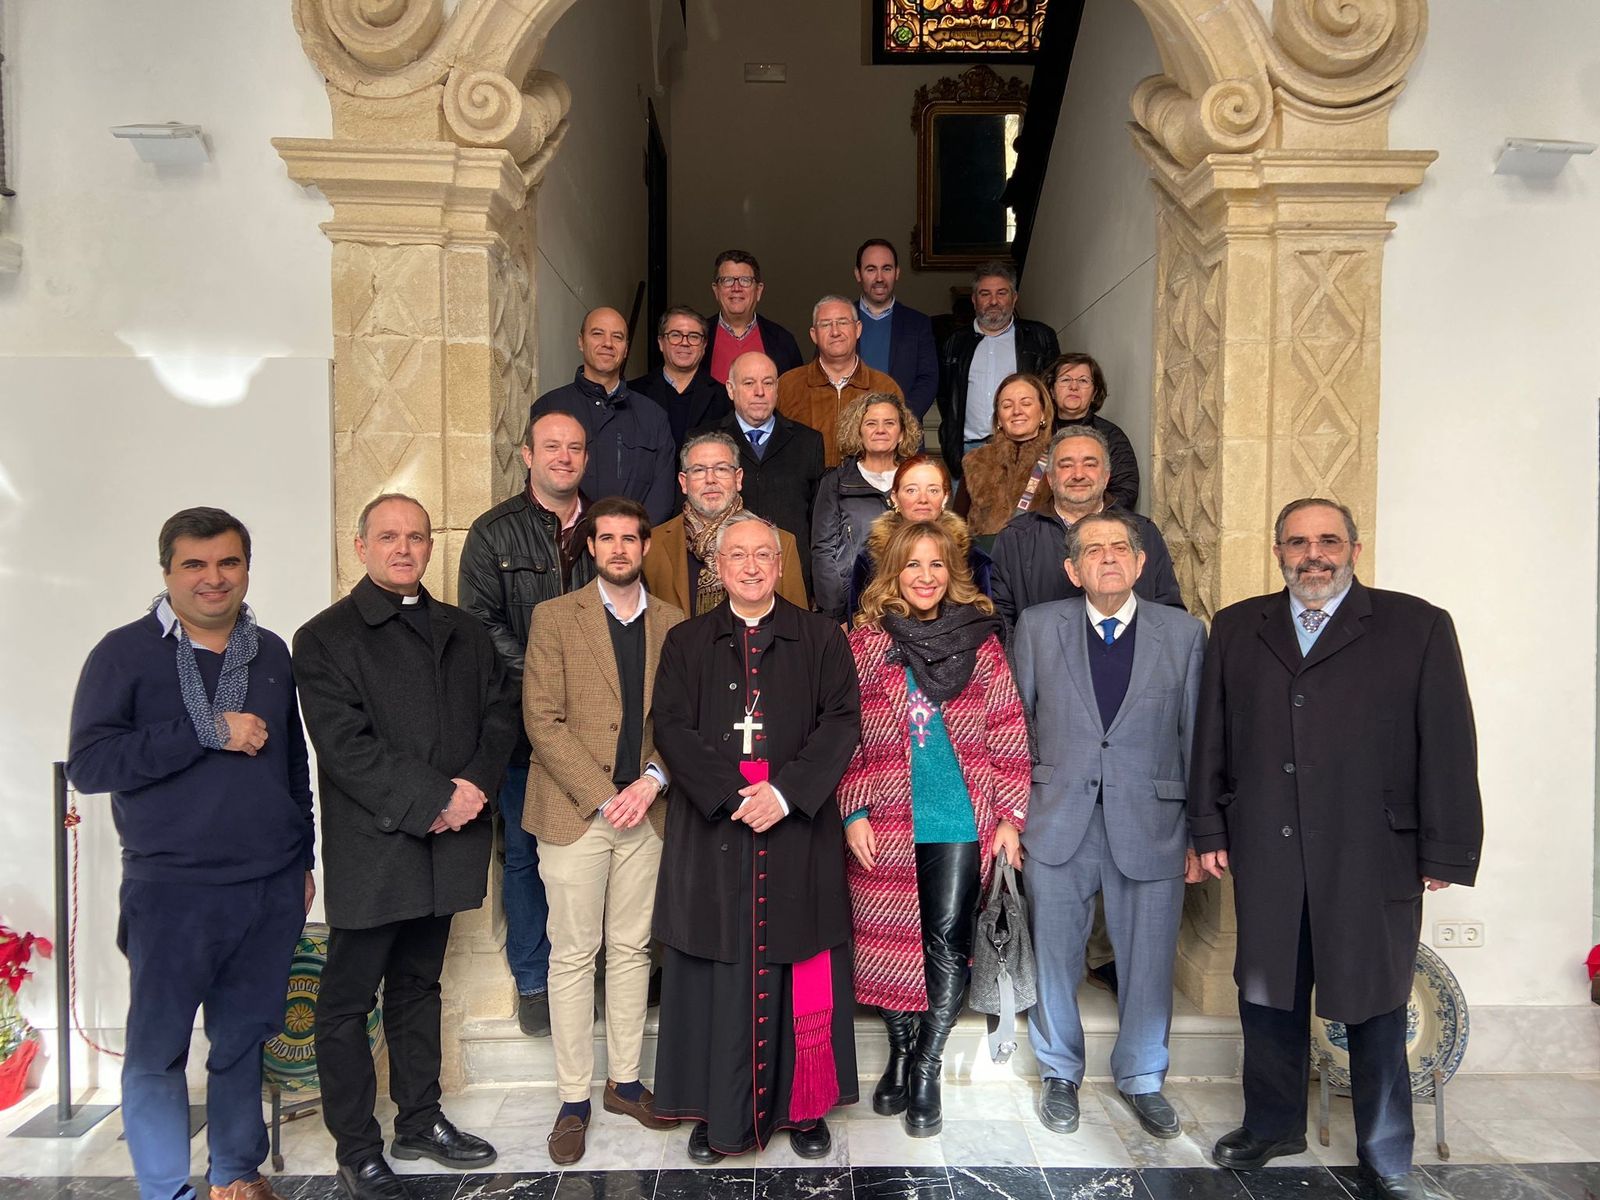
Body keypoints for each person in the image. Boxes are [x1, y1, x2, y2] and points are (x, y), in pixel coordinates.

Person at [1189, 498, 1483, 1199]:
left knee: (1375, 999)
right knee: (1267, 996)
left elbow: (1447, 743)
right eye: (1297, 543)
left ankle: (1384, 1148)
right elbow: (1212, 737)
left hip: (1373, 849)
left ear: (1354, 547)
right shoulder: (1237, 627)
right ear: (1277, 552)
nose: (1312, 555)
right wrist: (1208, 829)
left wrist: (1445, 851)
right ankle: (1272, 1123)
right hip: (1267, 843)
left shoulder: (1417, 625)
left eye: (1327, 540)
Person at [68, 507, 314, 1200]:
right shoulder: (123, 653)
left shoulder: (269, 650)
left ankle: (234, 1174)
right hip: (172, 890)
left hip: (267, 886)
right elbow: (90, 765)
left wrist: (304, 862)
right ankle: (166, 1189)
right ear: (168, 572)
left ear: (245, 568)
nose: (214, 579)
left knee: (242, 1041)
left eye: (228, 563)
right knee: (157, 1052)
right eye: (195, 565)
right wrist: (206, 730)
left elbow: (294, 767)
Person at [293, 494, 518, 1200]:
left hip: (447, 843)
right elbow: (346, 749)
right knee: (346, 1000)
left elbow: (500, 714)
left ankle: (419, 1121)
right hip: (378, 846)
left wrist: (474, 787)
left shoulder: (463, 630)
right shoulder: (324, 637)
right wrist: (437, 800)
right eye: (388, 536)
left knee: (420, 985)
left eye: (416, 537)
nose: (404, 548)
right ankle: (356, 1148)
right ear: (360, 546)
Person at [650, 512, 862, 1163]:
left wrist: (785, 793)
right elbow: (672, 727)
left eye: (761, 555)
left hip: (796, 832)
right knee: (718, 967)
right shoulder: (688, 642)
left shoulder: (822, 637)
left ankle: (806, 1108)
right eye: (735, 555)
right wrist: (730, 794)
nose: (748, 566)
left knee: (802, 965)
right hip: (715, 831)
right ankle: (717, 1109)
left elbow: (842, 723)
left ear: (779, 565)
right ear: (717, 566)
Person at [1012, 509, 1207, 1141]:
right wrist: (1013, 816)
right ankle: (1060, 1073)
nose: (1108, 558)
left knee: (1148, 958)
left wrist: (1202, 834)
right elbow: (1018, 728)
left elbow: (1196, 738)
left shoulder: (1182, 635)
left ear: (1141, 561)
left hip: (1153, 822)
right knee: (1055, 957)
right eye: (1093, 550)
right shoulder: (1039, 628)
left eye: (1120, 548)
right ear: (1072, 569)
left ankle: (1143, 1076)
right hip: (1057, 819)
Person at [838, 518, 1030, 1137]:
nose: (926, 577)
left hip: (960, 816)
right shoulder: (863, 643)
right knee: (889, 943)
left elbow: (1006, 730)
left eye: (938, 565)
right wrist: (856, 807)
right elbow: (844, 734)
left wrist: (1008, 817)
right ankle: (898, 1048)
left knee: (946, 944)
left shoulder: (982, 641)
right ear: (894, 572)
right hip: (888, 816)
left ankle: (925, 1065)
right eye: (913, 565)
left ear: (954, 573)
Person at [522, 497, 686, 1165]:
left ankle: (623, 1081)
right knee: (572, 954)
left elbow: (684, 721)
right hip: (574, 813)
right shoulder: (555, 618)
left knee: (631, 949)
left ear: (646, 547)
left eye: (630, 539)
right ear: (591, 547)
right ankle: (572, 1098)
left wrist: (650, 781)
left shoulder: (674, 625)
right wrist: (602, 794)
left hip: (648, 811)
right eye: (607, 538)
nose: (618, 549)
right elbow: (541, 717)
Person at [457, 409, 594, 1039]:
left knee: (594, 851)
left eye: (574, 448)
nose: (563, 457)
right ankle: (534, 979)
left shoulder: (607, 528)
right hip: (519, 725)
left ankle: (583, 971)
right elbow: (479, 624)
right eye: (551, 447)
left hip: (598, 727)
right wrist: (547, 676)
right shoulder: (492, 534)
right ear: (527, 454)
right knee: (525, 852)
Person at [991, 425, 1182, 625]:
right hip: (1041, 655)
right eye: (1066, 465)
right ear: (1050, 478)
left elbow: (1169, 613)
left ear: (1107, 476)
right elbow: (1000, 621)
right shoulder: (1016, 537)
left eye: (1090, 464)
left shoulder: (1143, 533)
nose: (1078, 474)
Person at [530, 306, 676, 523]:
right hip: (565, 546)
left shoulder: (653, 416)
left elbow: (662, 495)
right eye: (597, 333)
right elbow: (539, 485)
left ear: (626, 349)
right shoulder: (550, 407)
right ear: (581, 341)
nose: (607, 343)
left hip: (632, 549)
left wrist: (629, 537)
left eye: (617, 337)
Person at [697, 351, 824, 594]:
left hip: (790, 578)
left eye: (768, 383)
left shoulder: (808, 442)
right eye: (749, 383)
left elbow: (817, 524)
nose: (760, 391)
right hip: (724, 582)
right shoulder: (703, 441)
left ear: (777, 389)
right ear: (731, 390)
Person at [644, 431, 809, 615]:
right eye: (698, 470)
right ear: (684, 482)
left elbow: (799, 629)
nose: (710, 479)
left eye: (721, 469)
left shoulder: (782, 543)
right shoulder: (652, 545)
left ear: (738, 478)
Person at [936, 261, 1059, 479]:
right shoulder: (955, 342)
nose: (993, 301)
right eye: (985, 294)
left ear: (1014, 297)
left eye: (1001, 293)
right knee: (967, 513)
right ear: (974, 300)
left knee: (1026, 512)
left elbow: (1052, 395)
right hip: (968, 451)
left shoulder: (1039, 338)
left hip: (1025, 449)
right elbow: (947, 397)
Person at [810, 391, 921, 621]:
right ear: (859, 432)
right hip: (853, 610)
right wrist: (836, 615)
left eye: (889, 423)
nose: (880, 430)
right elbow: (823, 552)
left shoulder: (916, 479)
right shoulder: (836, 482)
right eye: (871, 423)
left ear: (901, 433)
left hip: (911, 607)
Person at [846, 455, 993, 621]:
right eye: (911, 490)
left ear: (945, 498)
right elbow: (859, 621)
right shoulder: (869, 558)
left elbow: (985, 620)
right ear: (895, 497)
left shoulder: (973, 559)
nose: (923, 499)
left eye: (933, 490)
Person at [777, 294, 904, 467]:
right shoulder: (788, 385)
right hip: (804, 491)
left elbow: (901, 452)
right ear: (814, 335)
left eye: (843, 322)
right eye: (826, 324)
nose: (835, 332)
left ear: (858, 329)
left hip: (867, 491)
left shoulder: (885, 387)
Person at [954, 372, 1055, 539]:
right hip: (985, 561)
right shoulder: (976, 460)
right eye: (1007, 406)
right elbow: (957, 524)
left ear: (1043, 413)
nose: (1017, 411)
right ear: (999, 418)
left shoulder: (1060, 459)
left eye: (1026, 403)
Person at [628, 306, 732, 456]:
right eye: (675, 335)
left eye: (694, 336)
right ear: (661, 342)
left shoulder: (724, 398)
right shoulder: (633, 393)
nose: (685, 343)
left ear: (704, 346)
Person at [854, 238, 939, 421]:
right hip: (849, 433)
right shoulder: (841, 321)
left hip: (904, 434)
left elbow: (928, 380)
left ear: (897, 273)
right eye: (871, 269)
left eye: (886, 268)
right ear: (858, 274)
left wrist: (900, 419)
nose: (879, 278)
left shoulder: (918, 324)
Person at [1046, 353, 1140, 512]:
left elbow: (1125, 491)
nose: (1073, 387)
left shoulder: (1111, 435)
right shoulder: (1038, 433)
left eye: (1083, 381)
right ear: (1052, 391)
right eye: (1065, 380)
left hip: (1097, 527)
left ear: (1095, 392)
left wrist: (1088, 519)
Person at [703, 249, 804, 383]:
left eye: (745, 280)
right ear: (716, 290)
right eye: (727, 280)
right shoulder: (697, 338)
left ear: (758, 290)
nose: (736, 288)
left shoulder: (783, 341)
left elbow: (795, 396)